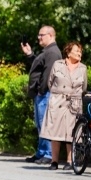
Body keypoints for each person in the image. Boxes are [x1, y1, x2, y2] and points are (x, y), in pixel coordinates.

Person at [39, 41, 87, 171]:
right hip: (58, 101)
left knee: (71, 133)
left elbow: (84, 87)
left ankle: (69, 161)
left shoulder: (83, 68)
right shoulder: (58, 64)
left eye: (80, 51)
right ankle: (54, 161)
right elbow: (50, 82)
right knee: (55, 133)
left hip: (74, 103)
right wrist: (58, 95)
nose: (79, 53)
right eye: (77, 50)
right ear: (68, 51)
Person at [22, 25, 62, 165]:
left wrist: (41, 90)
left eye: (41, 35)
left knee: (46, 125)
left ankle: (48, 154)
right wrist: (30, 54)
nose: (38, 37)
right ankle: (41, 152)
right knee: (40, 125)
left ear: (50, 35)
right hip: (41, 94)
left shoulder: (52, 52)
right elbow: (38, 67)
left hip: (45, 94)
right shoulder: (46, 51)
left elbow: (48, 74)